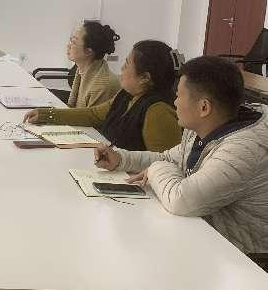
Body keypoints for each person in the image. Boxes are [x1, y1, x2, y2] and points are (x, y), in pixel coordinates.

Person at [94, 56, 268, 257]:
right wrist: (121, 159)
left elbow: (180, 199)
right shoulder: (204, 126)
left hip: (243, 256)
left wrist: (155, 169)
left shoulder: (242, 150)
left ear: (204, 107)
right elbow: (169, 158)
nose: (174, 102)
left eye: (178, 96)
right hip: (203, 233)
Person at [25, 40, 182, 152]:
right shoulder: (127, 94)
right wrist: (47, 114)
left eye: (127, 64)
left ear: (144, 78)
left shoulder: (158, 111)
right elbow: (93, 114)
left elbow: (164, 163)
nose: (122, 68)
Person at [65, 21, 121, 108]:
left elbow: (89, 116)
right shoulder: (82, 70)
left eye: (73, 42)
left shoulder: (101, 86)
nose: (68, 46)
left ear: (88, 51)